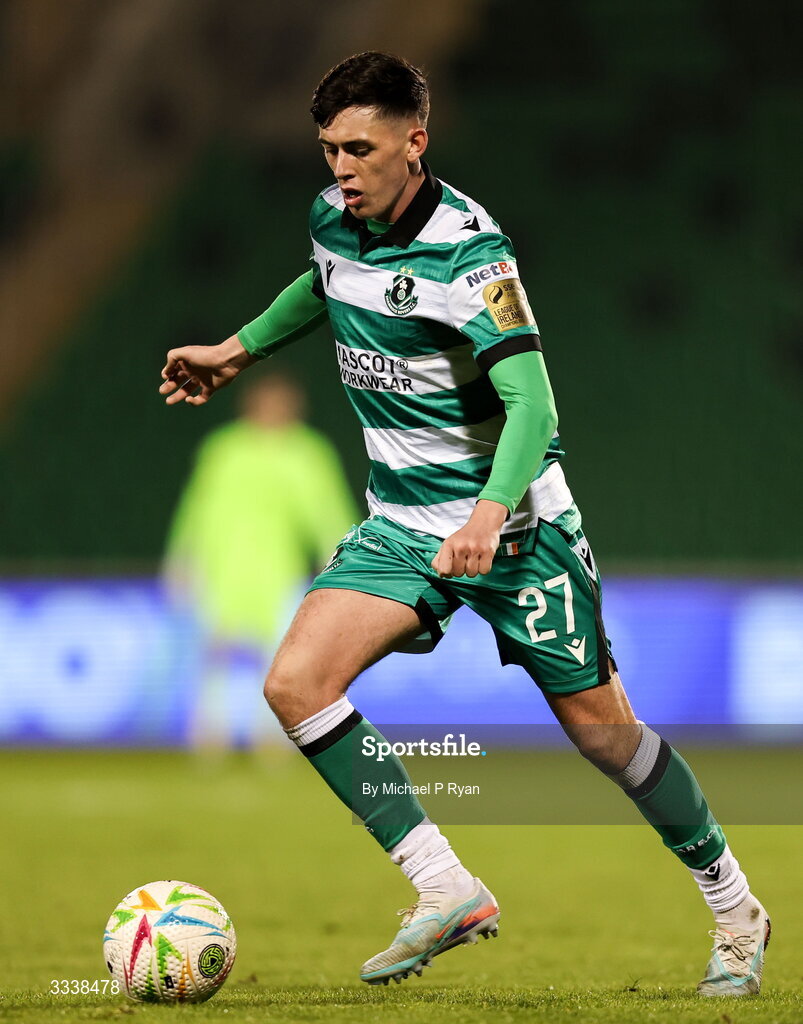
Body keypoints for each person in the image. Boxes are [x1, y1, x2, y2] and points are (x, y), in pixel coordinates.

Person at [158, 52, 769, 995]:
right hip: (404, 526)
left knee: (605, 736)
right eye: (328, 150)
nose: (341, 169)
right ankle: (443, 885)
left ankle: (735, 909)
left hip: (517, 534)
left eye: (359, 148)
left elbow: (533, 409)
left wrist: (488, 515)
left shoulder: (471, 253)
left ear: (416, 141)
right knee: (295, 683)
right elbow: (320, 284)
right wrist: (236, 353)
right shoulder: (334, 220)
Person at [163, 371, 358, 748]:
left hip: (278, 568)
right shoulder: (224, 449)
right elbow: (197, 507)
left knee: (280, 656)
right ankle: (208, 734)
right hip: (223, 566)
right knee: (212, 652)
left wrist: (339, 560)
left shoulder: (308, 452)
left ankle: (274, 736)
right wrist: (182, 557)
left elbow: (328, 511)